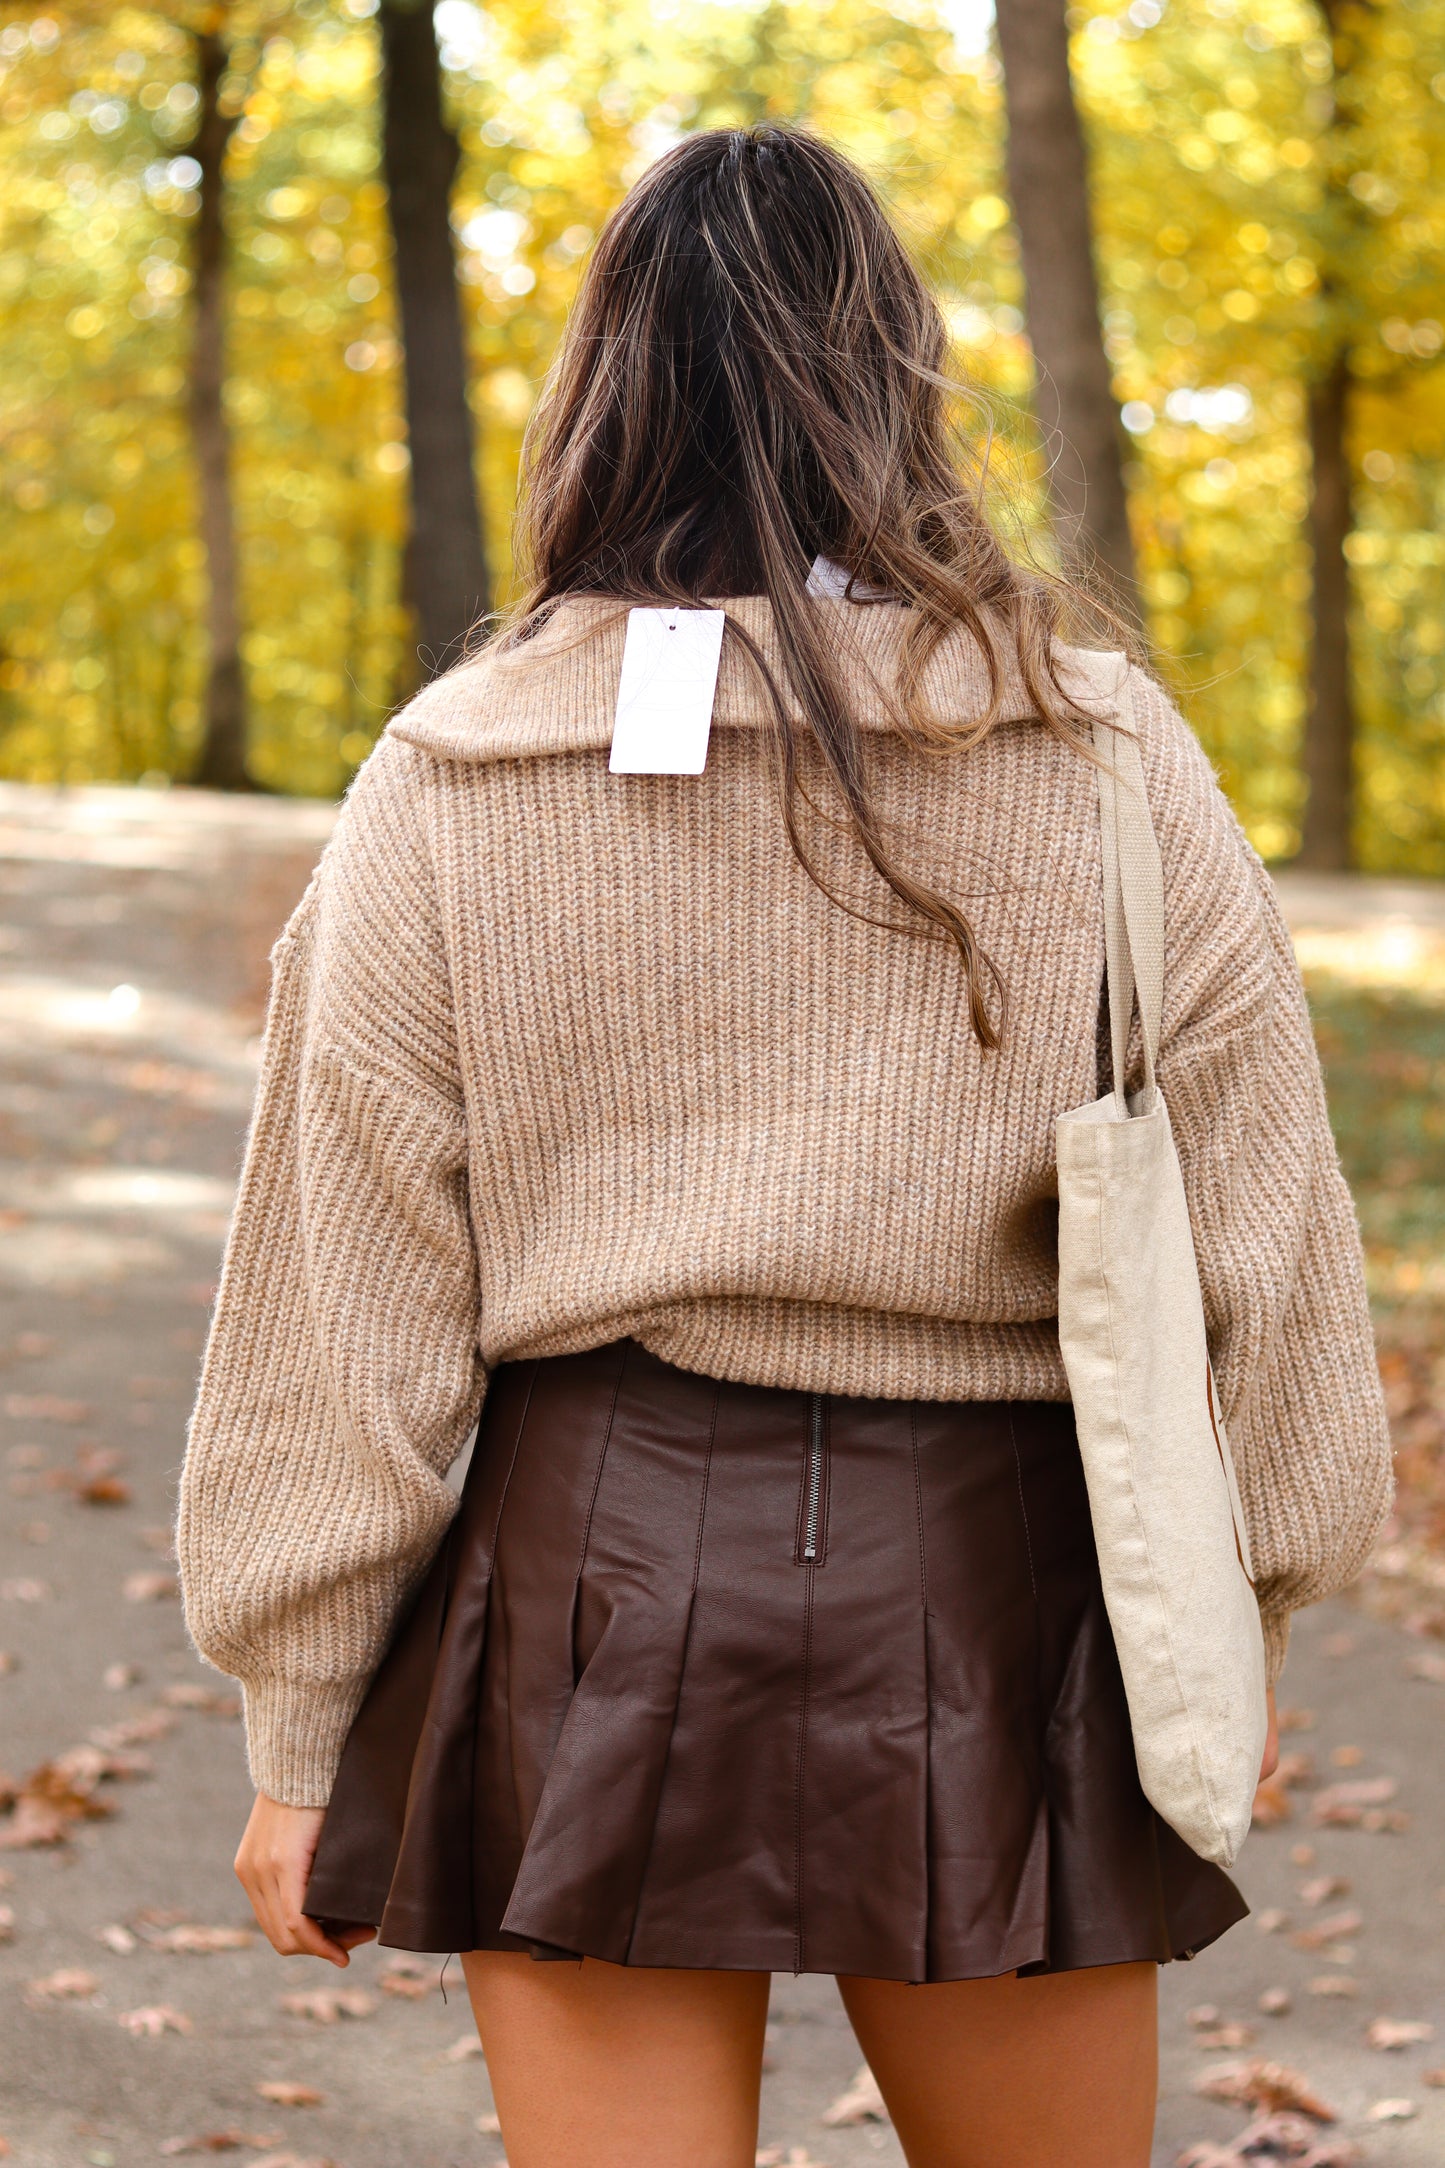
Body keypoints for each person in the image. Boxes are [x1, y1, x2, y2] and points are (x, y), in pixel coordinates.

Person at [178, 127, 1392, 2168]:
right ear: (902, 374)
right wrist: (1240, 1620)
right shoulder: (1100, 756)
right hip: (1017, 1583)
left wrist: (301, 1727)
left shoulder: (453, 777)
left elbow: (342, 1289)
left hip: (593, 1582)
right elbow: (1264, 1233)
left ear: (603, 385)